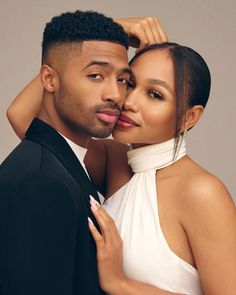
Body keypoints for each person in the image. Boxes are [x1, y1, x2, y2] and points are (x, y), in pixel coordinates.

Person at [6, 18, 236, 295]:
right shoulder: (116, 162)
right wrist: (105, 34)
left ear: (190, 117)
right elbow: (26, 118)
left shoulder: (201, 192)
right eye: (128, 82)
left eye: (154, 94)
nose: (126, 101)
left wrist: (121, 284)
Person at [0, 10, 132, 295]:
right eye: (96, 75)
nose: (116, 95)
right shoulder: (39, 181)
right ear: (48, 80)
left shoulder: (65, 162)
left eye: (123, 80)